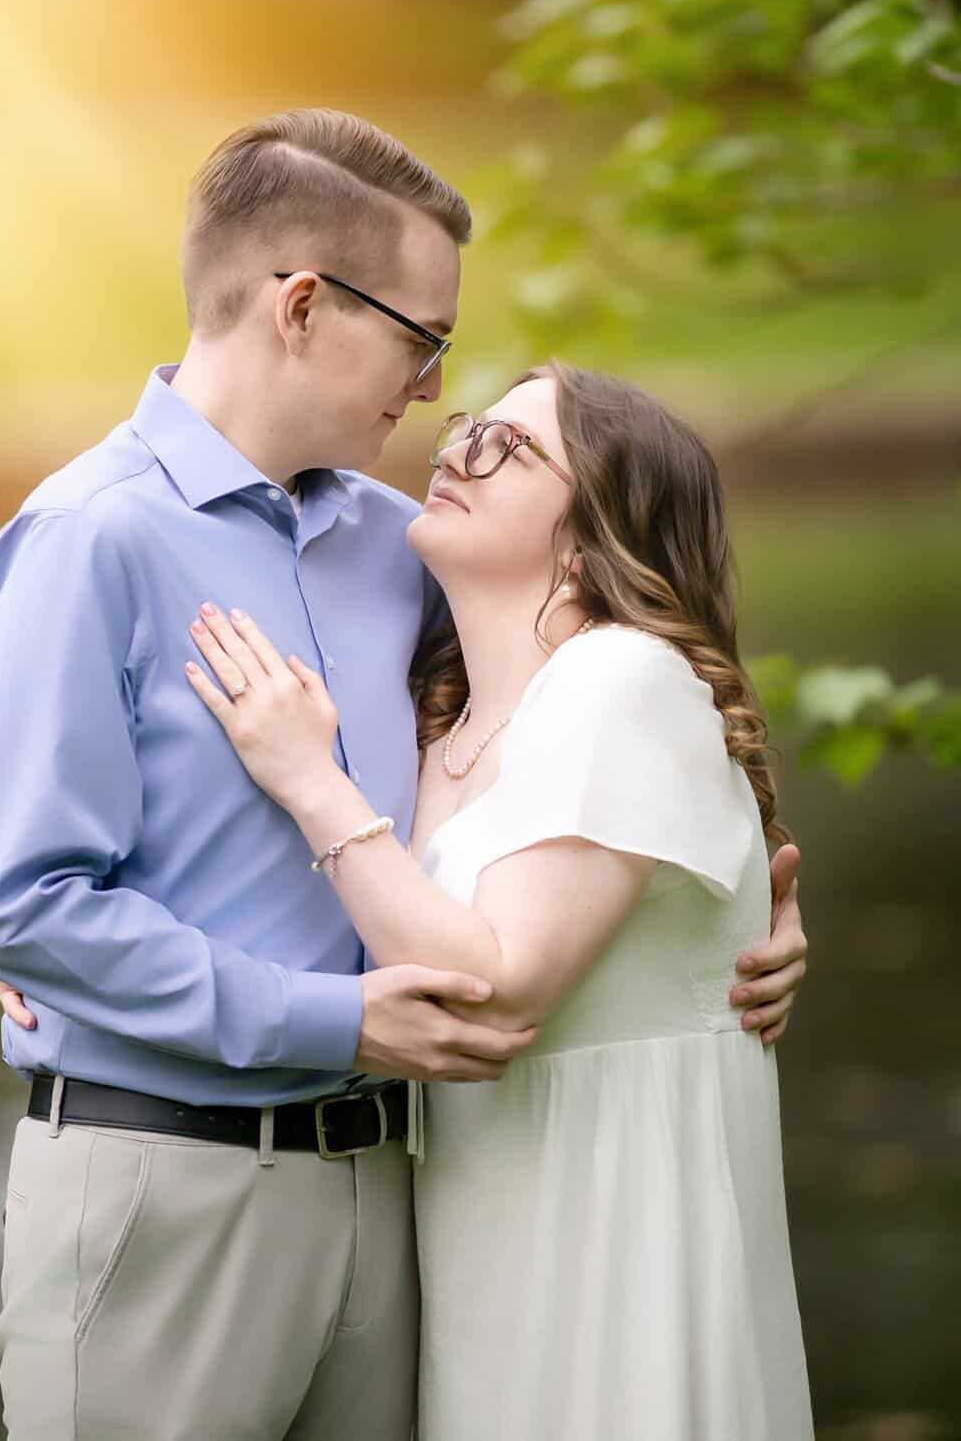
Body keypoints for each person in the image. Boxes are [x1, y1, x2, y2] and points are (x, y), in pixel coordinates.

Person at [0, 109, 808, 1441]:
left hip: (402, 1204)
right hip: (166, 1191)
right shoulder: (81, 543)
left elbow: (618, 688)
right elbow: (17, 903)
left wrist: (743, 904)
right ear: (302, 305)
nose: (429, 396)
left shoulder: (399, 544)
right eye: (426, 341)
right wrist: (331, 1022)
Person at [181, 362, 815, 1439]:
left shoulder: (625, 677)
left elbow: (489, 987)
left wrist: (305, 776)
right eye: (466, 429)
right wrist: (66, 958)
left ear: (596, 535)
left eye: (507, 447)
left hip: (617, 1234)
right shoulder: (439, 724)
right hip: (486, 1233)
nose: (451, 452)